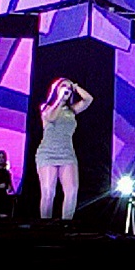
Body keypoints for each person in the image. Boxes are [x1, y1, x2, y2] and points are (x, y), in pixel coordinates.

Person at [35, 77, 94, 221]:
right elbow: (51, 118)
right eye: (63, 86)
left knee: (72, 191)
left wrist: (75, 86)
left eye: (68, 88)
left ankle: (66, 224)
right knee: (48, 192)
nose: (66, 90)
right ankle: (45, 225)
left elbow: (88, 99)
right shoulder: (46, 107)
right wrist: (59, 99)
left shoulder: (72, 110)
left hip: (67, 153)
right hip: (48, 153)